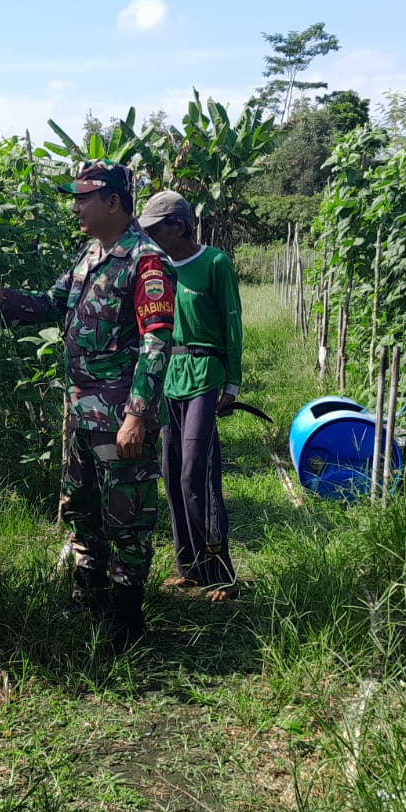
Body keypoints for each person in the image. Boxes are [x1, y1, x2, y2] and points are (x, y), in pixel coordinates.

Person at [0, 161, 175, 648]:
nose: (75, 206)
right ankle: (90, 598)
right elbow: (50, 302)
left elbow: (156, 342)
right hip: (81, 413)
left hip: (118, 418)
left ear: (113, 202)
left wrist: (137, 415)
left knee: (127, 517)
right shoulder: (91, 254)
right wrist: (5, 299)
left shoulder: (145, 262)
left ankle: (128, 620)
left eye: (85, 197)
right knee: (82, 507)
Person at [138, 191, 243, 598]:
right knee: (171, 475)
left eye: (154, 229)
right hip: (169, 378)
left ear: (178, 226)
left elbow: (232, 325)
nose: (147, 236)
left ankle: (222, 573)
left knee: (196, 474)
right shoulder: (156, 268)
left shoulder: (214, 263)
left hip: (205, 374)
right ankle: (191, 567)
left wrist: (231, 384)